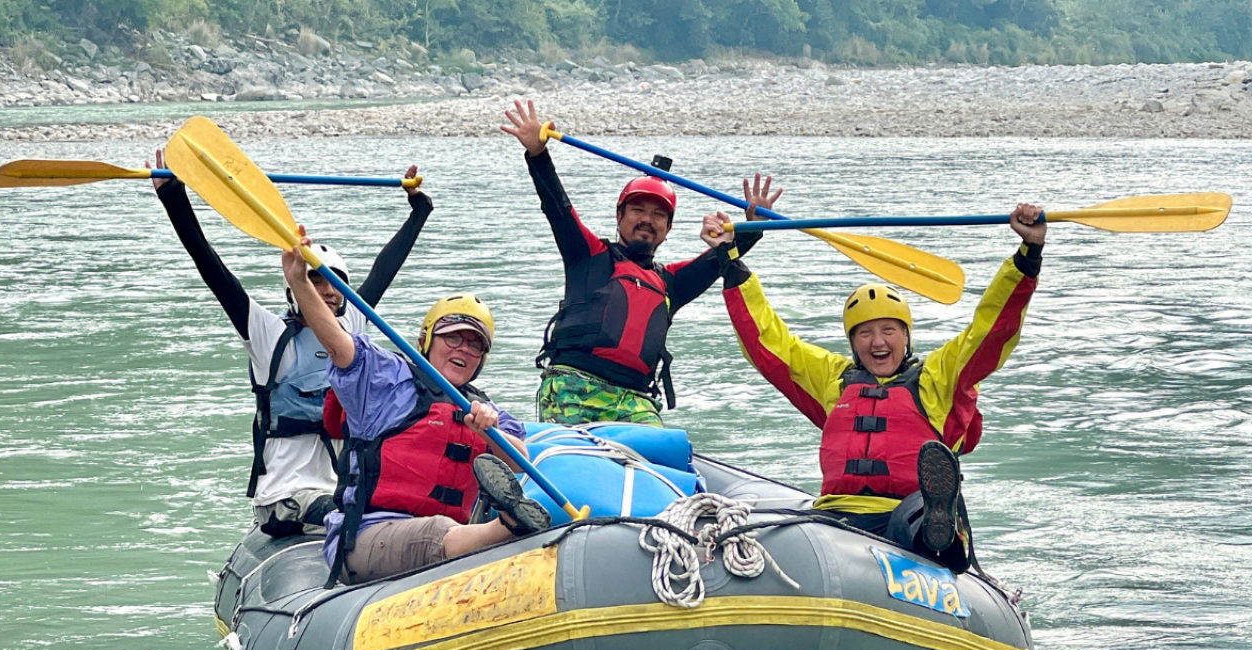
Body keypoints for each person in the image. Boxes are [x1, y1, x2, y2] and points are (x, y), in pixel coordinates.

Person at [718, 203, 1049, 573]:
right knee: (792, 536)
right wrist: (731, 263)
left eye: (888, 330)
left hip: (903, 512)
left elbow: (989, 331)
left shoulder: (937, 377)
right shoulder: (832, 379)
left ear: (906, 337)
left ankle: (939, 526)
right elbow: (768, 342)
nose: (878, 342)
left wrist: (1027, 257)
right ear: (853, 342)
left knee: (913, 519)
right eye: (865, 333)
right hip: (836, 517)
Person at [151, 150, 429, 537]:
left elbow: (386, 267)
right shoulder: (267, 334)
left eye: (336, 283)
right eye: (316, 281)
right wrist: (172, 196)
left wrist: (419, 210)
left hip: (340, 491)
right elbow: (212, 267)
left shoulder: (351, 326)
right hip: (285, 497)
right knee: (360, 517)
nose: (328, 291)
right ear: (294, 290)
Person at [280, 238, 549, 584]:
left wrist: (489, 432)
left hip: (450, 540)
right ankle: (508, 527)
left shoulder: (488, 411)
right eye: (453, 338)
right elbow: (338, 345)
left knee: (447, 530)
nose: (464, 349)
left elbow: (521, 461)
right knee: (439, 530)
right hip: (365, 537)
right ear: (426, 340)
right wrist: (300, 283)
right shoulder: (385, 378)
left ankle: (506, 530)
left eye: (475, 345)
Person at [500, 100, 779, 426]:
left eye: (658, 214)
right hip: (573, 387)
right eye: (637, 210)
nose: (647, 219)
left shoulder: (671, 283)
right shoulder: (588, 255)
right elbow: (558, 208)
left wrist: (753, 226)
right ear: (619, 217)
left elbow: (718, 260)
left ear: (668, 229)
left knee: (670, 449)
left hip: (636, 400)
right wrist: (538, 155)